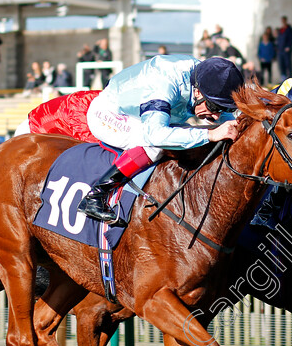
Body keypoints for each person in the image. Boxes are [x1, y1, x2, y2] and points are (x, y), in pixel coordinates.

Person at [79, 56, 243, 224]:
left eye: (223, 108)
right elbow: (156, 135)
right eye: (215, 107)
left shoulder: (208, 82)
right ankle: (96, 195)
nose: (217, 115)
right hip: (109, 114)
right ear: (198, 91)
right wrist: (210, 135)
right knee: (157, 145)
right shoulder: (165, 83)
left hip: (144, 114)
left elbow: (230, 121)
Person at [276, 16, 292, 81]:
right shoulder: (280, 30)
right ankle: (283, 78)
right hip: (280, 50)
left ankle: (290, 77)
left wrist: (288, 46)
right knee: (281, 64)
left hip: (286, 50)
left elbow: (291, 39)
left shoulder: (289, 29)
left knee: (288, 64)